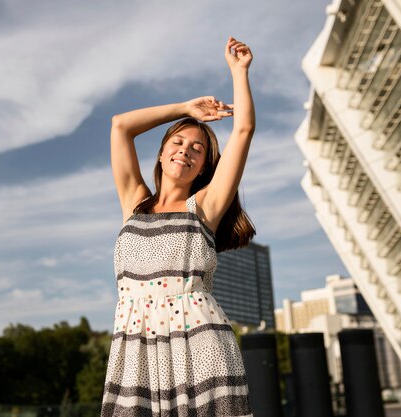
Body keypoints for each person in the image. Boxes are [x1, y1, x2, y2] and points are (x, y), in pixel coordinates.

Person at [101, 36, 256, 417]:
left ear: (204, 167)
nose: (185, 150)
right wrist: (185, 109)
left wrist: (239, 72)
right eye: (178, 141)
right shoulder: (134, 201)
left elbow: (243, 131)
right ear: (162, 151)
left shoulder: (204, 206)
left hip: (199, 340)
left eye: (197, 149)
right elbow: (121, 126)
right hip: (135, 343)